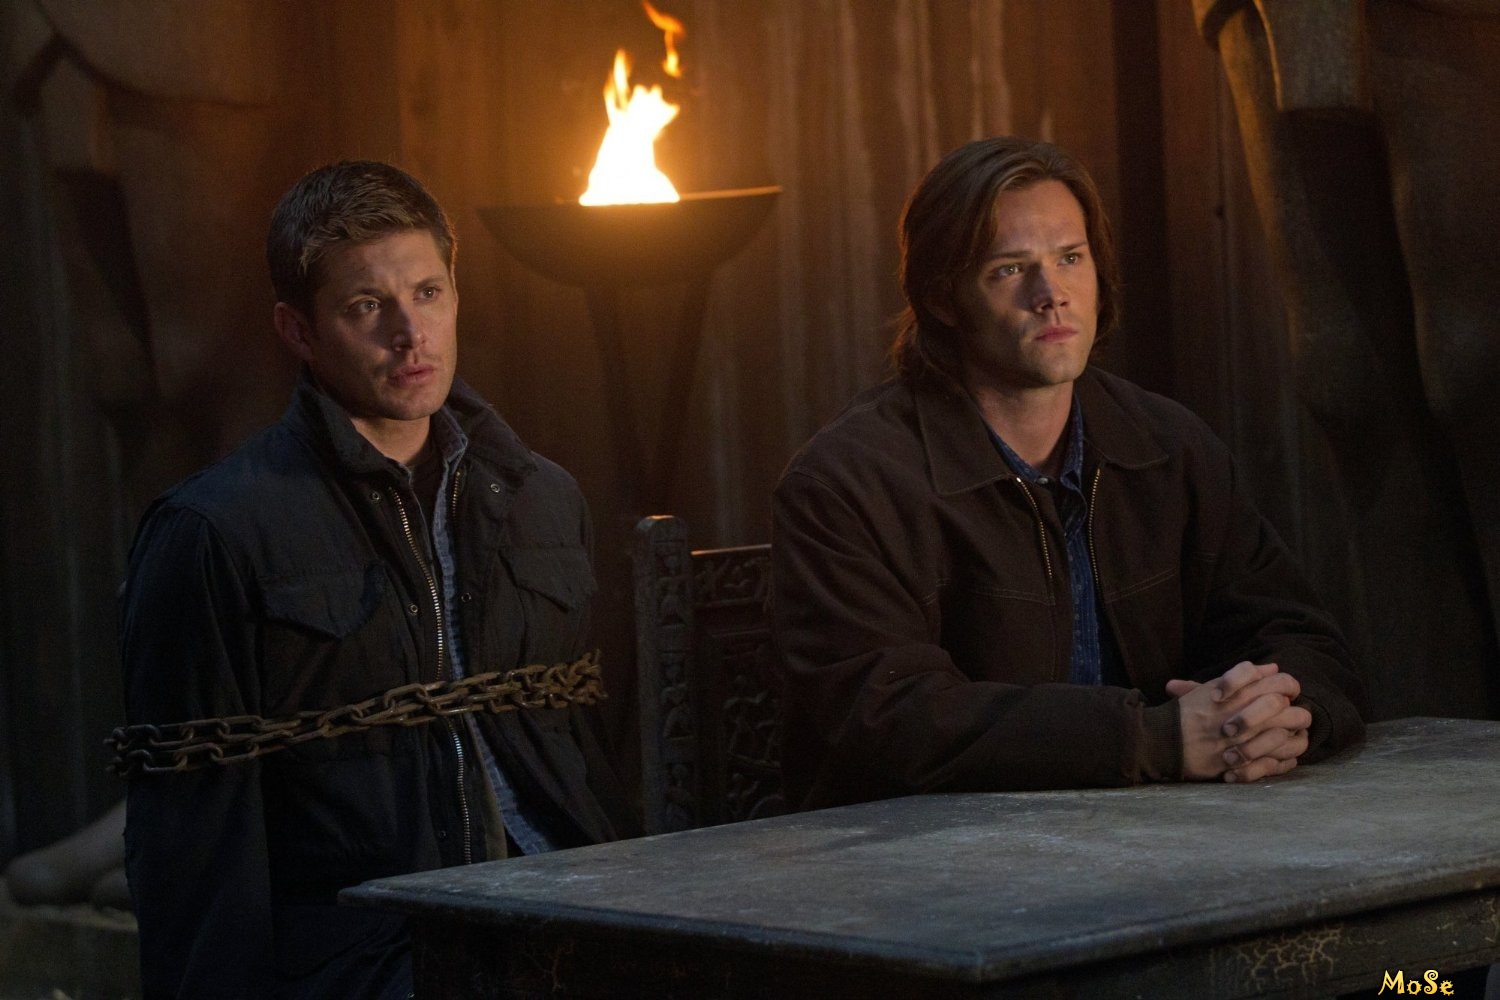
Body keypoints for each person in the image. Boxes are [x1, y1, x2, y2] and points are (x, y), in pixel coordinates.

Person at [118, 161, 638, 999]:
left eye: (428, 294)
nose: (410, 334)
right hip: (373, 952)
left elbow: (584, 755)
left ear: (456, 295)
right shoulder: (216, 534)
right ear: (298, 330)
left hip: (569, 912)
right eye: (367, 306)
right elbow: (196, 844)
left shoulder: (541, 498)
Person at [770, 137, 1368, 811]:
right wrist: (1154, 740)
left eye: (1070, 258)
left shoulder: (1168, 447)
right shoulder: (846, 485)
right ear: (942, 298)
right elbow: (892, 719)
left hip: (1165, 837)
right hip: (922, 859)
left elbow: (1304, 639)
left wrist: (1277, 715)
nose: (1051, 295)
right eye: (1008, 269)